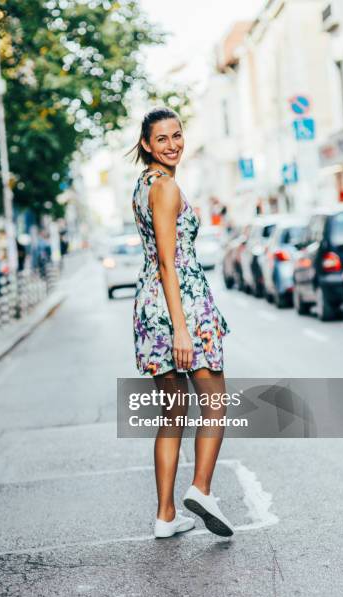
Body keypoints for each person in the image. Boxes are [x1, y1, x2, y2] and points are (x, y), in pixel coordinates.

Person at [130, 107, 234, 539]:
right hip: (181, 304)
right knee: (215, 402)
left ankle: (166, 515)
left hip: (149, 304)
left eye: (177, 135)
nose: (172, 144)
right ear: (145, 145)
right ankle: (202, 489)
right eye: (162, 139)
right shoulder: (167, 187)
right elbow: (170, 264)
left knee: (171, 412)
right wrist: (182, 328)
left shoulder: (143, 185)